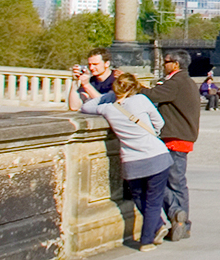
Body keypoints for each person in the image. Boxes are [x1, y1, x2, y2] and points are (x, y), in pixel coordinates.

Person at [70, 70, 169, 251]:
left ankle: (157, 226)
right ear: (134, 87)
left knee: (139, 197)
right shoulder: (141, 100)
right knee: (154, 200)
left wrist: (109, 96)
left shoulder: (108, 108)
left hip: (132, 160)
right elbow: (160, 123)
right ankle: (147, 240)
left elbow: (86, 107)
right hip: (156, 156)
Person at [145, 50, 201, 243]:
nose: (163, 65)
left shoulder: (176, 82)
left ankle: (177, 214)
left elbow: (151, 95)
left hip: (174, 138)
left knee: (164, 181)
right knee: (177, 182)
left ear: (175, 64)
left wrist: (132, 84)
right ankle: (182, 223)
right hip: (182, 138)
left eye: (166, 62)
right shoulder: (185, 81)